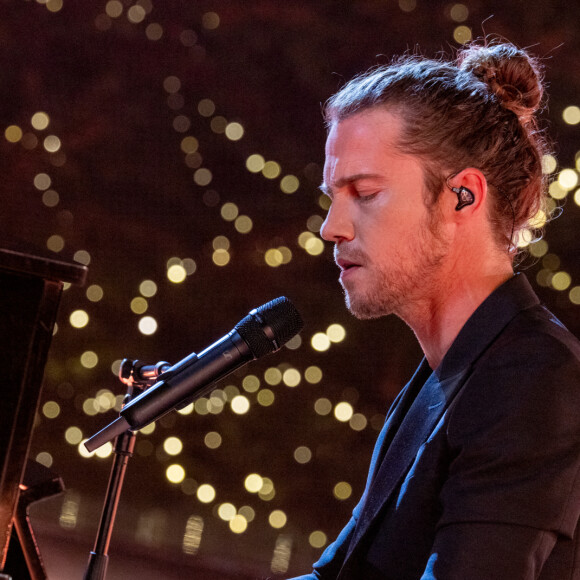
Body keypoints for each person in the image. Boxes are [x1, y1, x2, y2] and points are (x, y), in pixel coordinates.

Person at [290, 41, 580, 579]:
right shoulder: (449, 372)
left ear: (462, 196)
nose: (331, 227)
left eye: (365, 193)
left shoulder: (534, 377)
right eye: (334, 196)